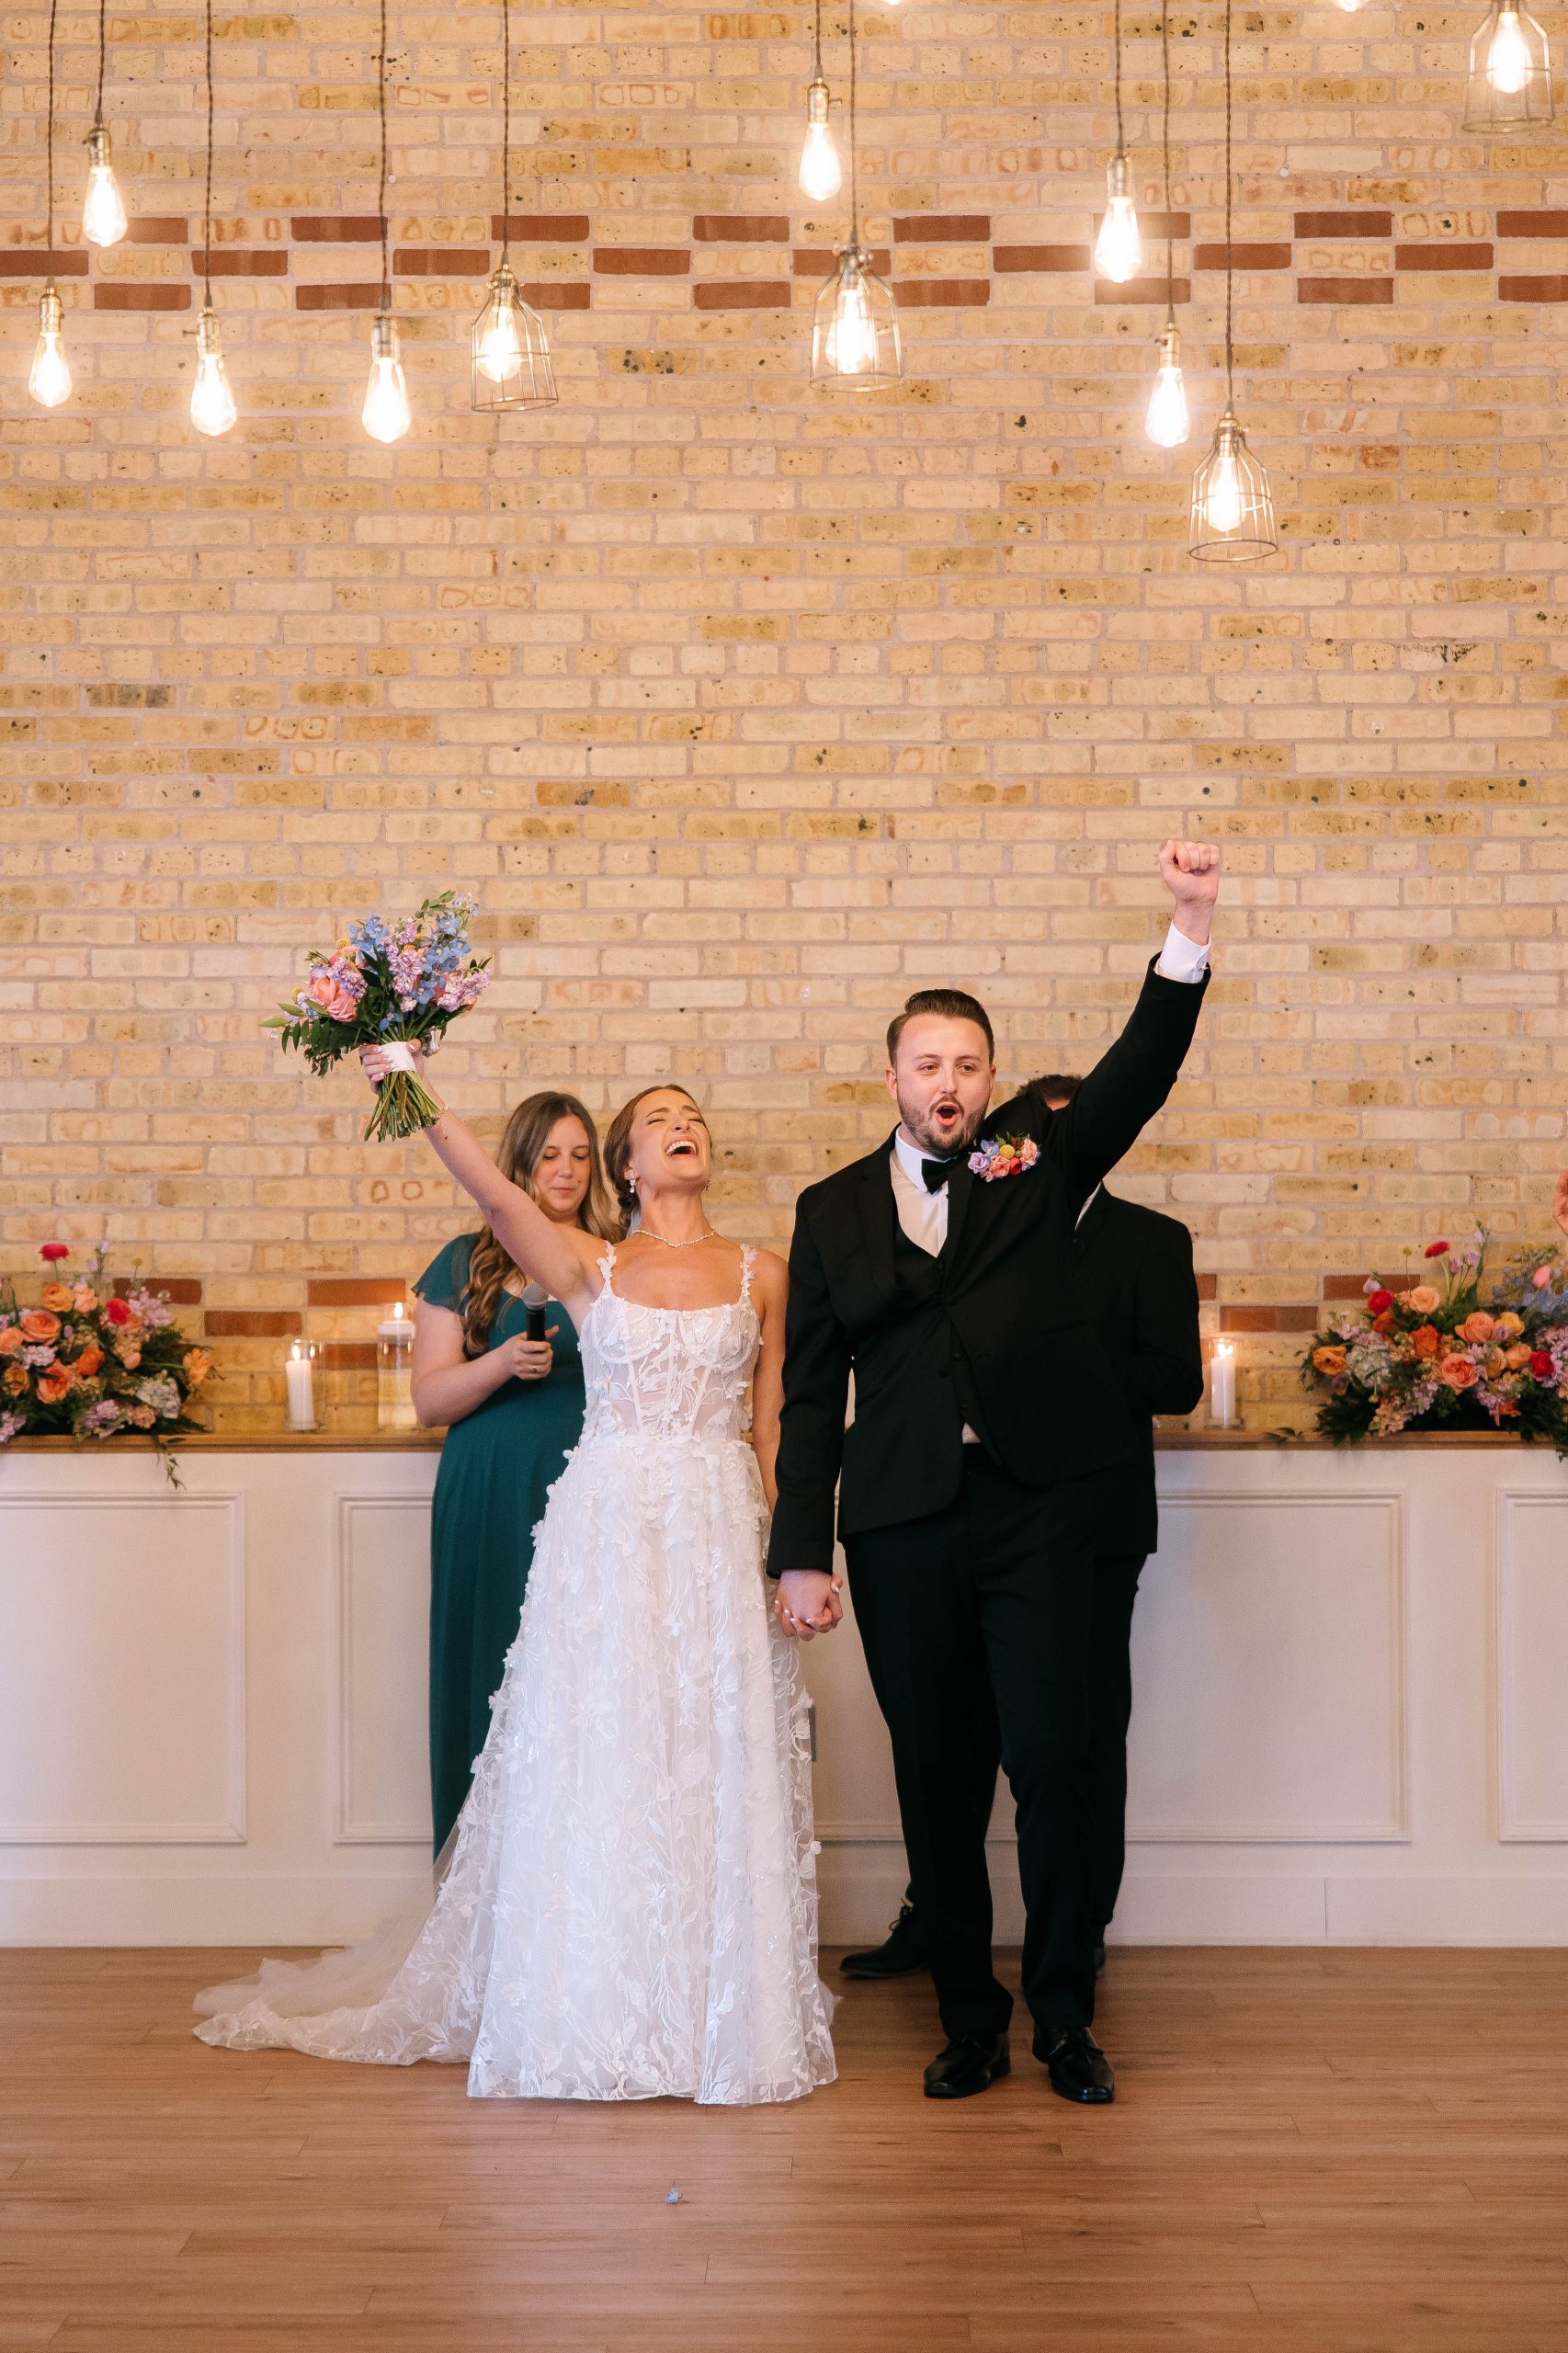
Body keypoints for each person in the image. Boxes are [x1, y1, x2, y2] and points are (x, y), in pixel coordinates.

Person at [197, 1077, 835, 2107]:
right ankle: (588, 2002)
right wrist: (407, 1081)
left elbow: (773, 1429)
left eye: (694, 1117)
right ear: (625, 1166)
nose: (683, 1129)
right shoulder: (593, 1262)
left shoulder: (763, 1271)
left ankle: (714, 2011)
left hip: (718, 1526)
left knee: (707, 1749)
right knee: (603, 1748)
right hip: (608, 1527)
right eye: (658, 1121)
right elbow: (497, 1199)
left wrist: (799, 1554)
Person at [767, 838, 1220, 2107]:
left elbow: (1137, 1075)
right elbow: (808, 1394)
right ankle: (966, 2016)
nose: (950, 1083)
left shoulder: (1033, 1162)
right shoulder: (831, 1209)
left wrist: (1184, 932)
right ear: (895, 1077)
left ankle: (1063, 2016)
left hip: (1040, 1511)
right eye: (928, 1065)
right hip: (902, 1522)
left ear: (989, 1078)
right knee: (938, 1778)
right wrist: (802, 1546)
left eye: (968, 1063)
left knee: (1058, 1763)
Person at [839, 1070, 1204, 1987]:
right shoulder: (973, 1234)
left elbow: (1173, 1381)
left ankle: (1079, 1931)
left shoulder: (1148, 1241)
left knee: (1075, 1742)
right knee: (955, 1737)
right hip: (984, 1513)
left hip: (1098, 1522)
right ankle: (937, 1912)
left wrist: (1054, 1366)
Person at [411, 1088, 620, 1853]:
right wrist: (499, 1362)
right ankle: (476, 1875)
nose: (564, 1172)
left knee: (583, 1677)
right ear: (518, 1163)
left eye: (579, 1155)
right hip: (491, 1487)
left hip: (592, 1483)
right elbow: (430, 1400)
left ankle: (574, 1880)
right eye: (548, 1156)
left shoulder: (617, 1257)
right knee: (490, 1660)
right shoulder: (464, 1262)